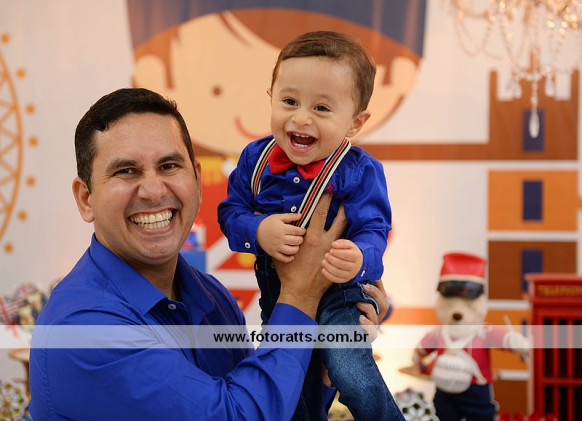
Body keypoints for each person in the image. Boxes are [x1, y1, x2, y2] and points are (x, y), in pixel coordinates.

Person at [28, 87, 388, 421]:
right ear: (86, 199)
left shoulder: (213, 298)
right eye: (126, 171)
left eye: (169, 166)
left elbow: (271, 407)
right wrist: (301, 295)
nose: (153, 190)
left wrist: (324, 356)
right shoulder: (82, 328)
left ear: (198, 181)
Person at [218, 31, 402, 420]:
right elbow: (230, 213)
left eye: (321, 108)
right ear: (271, 97)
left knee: (352, 374)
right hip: (279, 292)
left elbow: (375, 230)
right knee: (290, 388)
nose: (301, 118)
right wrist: (258, 231)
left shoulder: (359, 170)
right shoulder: (255, 159)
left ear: (355, 123)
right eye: (289, 101)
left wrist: (360, 258)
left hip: (339, 294)